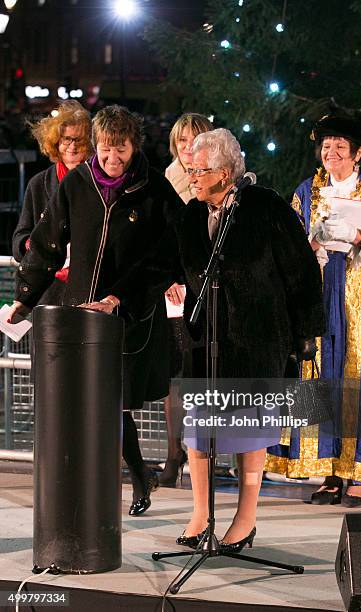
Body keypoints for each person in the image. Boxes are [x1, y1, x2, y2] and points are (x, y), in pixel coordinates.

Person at [114, 128, 324, 548]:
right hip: (203, 342)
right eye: (190, 169)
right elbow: (162, 265)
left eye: (199, 170)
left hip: (257, 342)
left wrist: (306, 336)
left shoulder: (266, 207)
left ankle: (245, 520)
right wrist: (119, 296)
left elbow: (301, 273)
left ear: (226, 173)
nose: (191, 177)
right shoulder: (192, 214)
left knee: (248, 436)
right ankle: (200, 515)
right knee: (198, 436)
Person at [9, 105, 183, 516]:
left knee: (114, 402)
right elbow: (47, 241)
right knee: (83, 402)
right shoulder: (78, 184)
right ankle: (112, 481)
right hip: (78, 312)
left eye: (120, 149)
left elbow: (167, 255)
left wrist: (119, 297)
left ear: (132, 146)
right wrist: (26, 296)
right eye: (106, 149)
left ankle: (137, 476)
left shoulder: (154, 189)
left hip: (127, 314)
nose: (112, 158)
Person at [266, 108, 361, 507]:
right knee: (317, 377)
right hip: (319, 298)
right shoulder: (305, 192)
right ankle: (327, 470)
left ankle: (358, 470)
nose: (331, 153)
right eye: (326, 146)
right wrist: (310, 245)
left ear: (358, 152)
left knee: (357, 378)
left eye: (340, 146)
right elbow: (288, 245)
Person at [160, 112, 213, 487]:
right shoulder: (165, 183)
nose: (188, 148)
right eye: (182, 141)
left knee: (207, 374)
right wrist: (168, 278)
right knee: (175, 378)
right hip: (175, 292)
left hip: (208, 288)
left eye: (195, 140)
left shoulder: (223, 177)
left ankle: (206, 454)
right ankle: (174, 454)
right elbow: (155, 240)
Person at [12, 100, 92, 303]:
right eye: (66, 139)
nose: (72, 146)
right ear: (56, 141)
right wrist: (33, 246)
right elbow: (19, 238)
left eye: (79, 140)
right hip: (48, 291)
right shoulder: (38, 184)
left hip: (90, 290)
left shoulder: (100, 183)